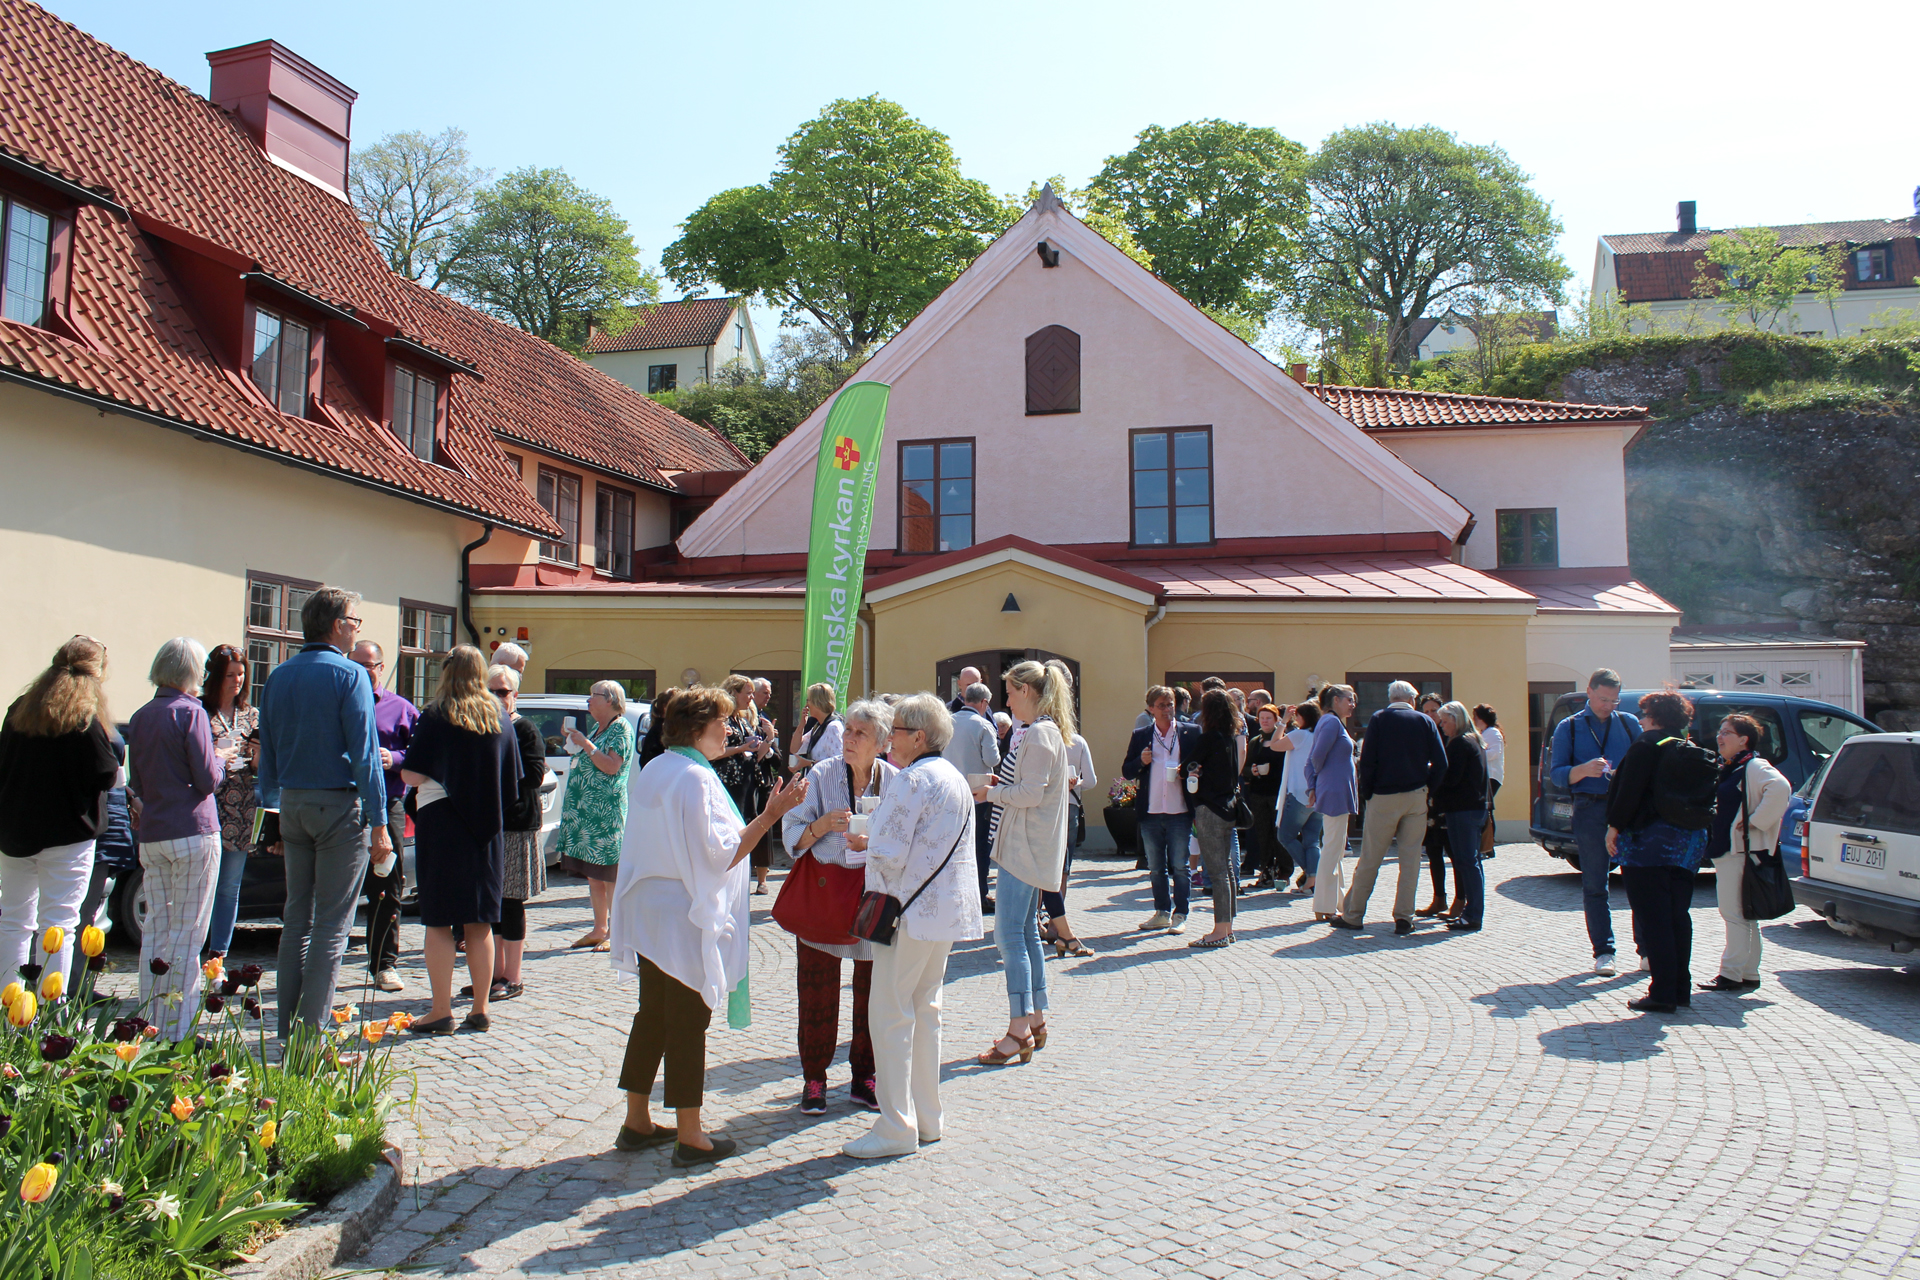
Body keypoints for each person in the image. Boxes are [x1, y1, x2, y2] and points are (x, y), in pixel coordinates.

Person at [608, 686, 807, 1167]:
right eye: (721, 722)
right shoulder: (695, 777)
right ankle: (690, 1134)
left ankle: (637, 1120)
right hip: (681, 914)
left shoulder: (658, 766)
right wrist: (771, 816)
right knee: (686, 1022)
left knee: (653, 1014)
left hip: (649, 907)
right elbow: (721, 854)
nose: (728, 730)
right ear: (698, 728)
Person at [840, 693, 982, 1157]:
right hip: (942, 914)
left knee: (890, 1016)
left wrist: (867, 840)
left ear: (918, 737)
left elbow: (889, 853)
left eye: (896, 730)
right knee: (926, 1012)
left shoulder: (912, 780)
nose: (889, 738)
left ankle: (896, 1127)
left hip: (907, 913)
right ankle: (927, 1117)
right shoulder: (953, 777)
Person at [256, 586, 389, 1035]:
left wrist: (272, 812)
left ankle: (287, 1031)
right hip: (336, 805)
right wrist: (379, 821)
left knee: (297, 920)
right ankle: (310, 1038)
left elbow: (267, 752)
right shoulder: (350, 675)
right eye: (354, 621)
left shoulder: (278, 675)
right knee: (332, 926)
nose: (356, 629)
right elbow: (366, 755)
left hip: (292, 803)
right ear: (336, 625)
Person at [781, 699, 896, 1112]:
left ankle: (864, 1075)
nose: (849, 738)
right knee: (817, 990)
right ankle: (814, 1079)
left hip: (874, 894)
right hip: (826, 892)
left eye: (860, 733)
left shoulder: (895, 780)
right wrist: (822, 825)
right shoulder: (821, 774)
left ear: (882, 743)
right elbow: (790, 834)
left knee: (873, 992)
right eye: (847, 730)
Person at [401, 646, 521, 1034]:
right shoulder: (499, 715)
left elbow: (412, 775)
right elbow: (513, 779)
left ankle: (441, 1010)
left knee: (438, 921)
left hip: (441, 823)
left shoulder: (438, 714)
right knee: (480, 922)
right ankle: (480, 1007)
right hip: (485, 830)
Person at [0, 636, 118, 999]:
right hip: (68, 835)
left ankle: (9, 1010)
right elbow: (106, 773)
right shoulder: (84, 717)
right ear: (96, 675)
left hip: (16, 830)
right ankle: (51, 1012)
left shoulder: (21, 708)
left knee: (13, 922)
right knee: (60, 925)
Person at [128, 637, 226, 1040]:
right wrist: (222, 760)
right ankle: (178, 1030)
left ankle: (149, 1021)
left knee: (156, 929)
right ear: (193, 671)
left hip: (154, 833)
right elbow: (207, 779)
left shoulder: (140, 715)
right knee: (188, 933)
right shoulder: (191, 712)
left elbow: (137, 782)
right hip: (192, 830)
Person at [977, 660, 1072, 1062]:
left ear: (1027, 691)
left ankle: (1019, 1030)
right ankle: (1035, 1019)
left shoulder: (1039, 733)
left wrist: (992, 794)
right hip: (1028, 846)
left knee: (1009, 936)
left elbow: (1031, 794)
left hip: (1025, 848)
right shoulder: (1042, 732)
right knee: (1026, 932)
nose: (1008, 701)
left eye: (1011, 693)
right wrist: (1002, 787)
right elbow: (1032, 788)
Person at [1603, 690, 1708, 1013]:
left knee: (1654, 918)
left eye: (1645, 713)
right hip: (1687, 843)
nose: (1641, 718)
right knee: (1678, 916)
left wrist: (1614, 826)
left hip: (1648, 844)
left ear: (1655, 717)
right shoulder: (1687, 747)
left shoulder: (1646, 745)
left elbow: (1628, 791)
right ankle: (1680, 988)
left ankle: (1662, 993)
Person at [1330, 681, 1448, 935]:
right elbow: (1441, 762)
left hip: (1383, 796)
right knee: (1410, 860)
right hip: (1415, 795)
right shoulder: (1425, 721)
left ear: (1391, 697)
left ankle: (1354, 915)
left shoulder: (1379, 718)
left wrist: (1367, 793)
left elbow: (1368, 760)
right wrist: (1428, 787)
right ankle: (1404, 917)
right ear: (1412, 700)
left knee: (1371, 858)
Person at [1550, 669, 1642, 976]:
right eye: (1603, 699)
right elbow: (1557, 774)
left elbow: (1645, 767)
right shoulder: (1569, 727)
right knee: (1595, 884)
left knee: (1638, 881)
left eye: (1614, 701)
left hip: (1627, 809)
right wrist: (1583, 770)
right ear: (1589, 692)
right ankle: (1604, 952)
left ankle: (1646, 950)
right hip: (1589, 809)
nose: (1608, 706)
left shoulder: (1629, 723)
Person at [347, 639, 418, 993]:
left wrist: (397, 758)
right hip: (345, 801)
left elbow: (421, 753)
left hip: (388, 802)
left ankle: (384, 965)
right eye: (356, 665)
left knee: (386, 883)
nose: (363, 672)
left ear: (381, 667)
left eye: (369, 666)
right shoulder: (339, 701)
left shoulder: (401, 708)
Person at [1701, 714, 1789, 993]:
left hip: (1739, 851)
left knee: (1734, 914)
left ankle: (1730, 974)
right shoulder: (1735, 767)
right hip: (1732, 850)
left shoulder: (1753, 765)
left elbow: (1781, 788)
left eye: (1727, 732)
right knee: (1745, 915)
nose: (1720, 736)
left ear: (1743, 739)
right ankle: (1748, 972)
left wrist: (1756, 821)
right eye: (1720, 731)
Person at [552, 680, 635, 950]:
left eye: (593, 695)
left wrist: (585, 744)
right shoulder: (600, 728)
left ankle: (616, 932)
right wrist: (576, 742)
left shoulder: (620, 727)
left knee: (609, 875)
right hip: (588, 816)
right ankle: (600, 928)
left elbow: (611, 766)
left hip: (605, 815)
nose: (588, 700)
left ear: (610, 700)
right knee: (594, 874)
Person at [1121, 685, 1200, 931]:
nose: (1167, 709)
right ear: (1151, 709)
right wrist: (1141, 761)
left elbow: (1201, 764)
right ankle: (1162, 912)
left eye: (1170, 704)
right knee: (1156, 867)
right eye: (1162, 705)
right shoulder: (1141, 735)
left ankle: (1181, 914)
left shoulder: (1190, 732)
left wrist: (1191, 771)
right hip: (1151, 811)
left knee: (1180, 866)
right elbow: (1127, 771)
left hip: (1180, 810)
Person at [491, 663, 548, 1001]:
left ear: (515, 695)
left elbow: (534, 775)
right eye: (490, 691)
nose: (497, 697)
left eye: (502, 691)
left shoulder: (524, 728)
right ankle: (494, 972)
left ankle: (513, 976)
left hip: (516, 824)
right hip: (490, 823)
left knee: (510, 902)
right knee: (493, 903)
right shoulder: (484, 726)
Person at [199, 644, 258, 961]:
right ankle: (193, 949)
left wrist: (257, 756)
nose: (237, 681)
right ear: (216, 677)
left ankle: (218, 954)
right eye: (230, 675)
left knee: (229, 887)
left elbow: (261, 767)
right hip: (207, 804)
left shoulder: (251, 714)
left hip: (241, 808)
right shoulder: (199, 711)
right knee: (202, 885)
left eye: (241, 674)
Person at [1187, 690, 1242, 948]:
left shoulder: (1208, 738)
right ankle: (1227, 928)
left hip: (1210, 810)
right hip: (1228, 809)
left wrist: (1190, 771)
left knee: (1218, 872)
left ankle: (1219, 931)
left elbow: (1187, 766)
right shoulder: (1230, 738)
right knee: (1227, 871)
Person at [941, 681, 1001, 912]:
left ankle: (954, 894)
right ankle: (980, 895)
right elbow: (993, 759)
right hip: (978, 795)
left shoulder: (948, 722)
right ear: (984, 703)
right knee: (979, 848)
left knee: (954, 846)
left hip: (950, 794)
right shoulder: (983, 725)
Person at [1041, 717, 1097, 958]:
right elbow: (1091, 781)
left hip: (1043, 807)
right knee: (1062, 869)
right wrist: (1076, 783)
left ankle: (1039, 921)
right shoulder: (1077, 741)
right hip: (1069, 807)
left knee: (1041, 866)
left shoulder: (1039, 738)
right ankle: (1056, 925)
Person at [1302, 685, 1359, 921]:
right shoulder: (1332, 722)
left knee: (1335, 848)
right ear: (1336, 700)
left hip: (1337, 790)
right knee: (1332, 848)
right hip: (1335, 791)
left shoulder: (1331, 722)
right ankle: (1324, 905)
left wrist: (1314, 784)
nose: (1353, 704)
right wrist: (1315, 784)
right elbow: (1316, 757)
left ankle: (1338, 901)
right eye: (1349, 699)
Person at [1434, 702, 1490, 932]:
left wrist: (1432, 779)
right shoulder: (1474, 739)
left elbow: (1451, 779)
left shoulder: (1459, 743)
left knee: (1467, 862)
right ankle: (1472, 912)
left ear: (1456, 720)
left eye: (1445, 721)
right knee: (1471, 862)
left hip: (1463, 809)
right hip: (1474, 808)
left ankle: (1473, 915)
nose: (1442, 725)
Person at [1243, 703, 1291, 890]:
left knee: (1279, 834)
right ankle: (1266, 871)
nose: (1264, 721)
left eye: (1268, 718)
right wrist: (1252, 771)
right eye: (1262, 718)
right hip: (1258, 793)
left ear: (1276, 720)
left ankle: (1284, 872)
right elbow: (1245, 767)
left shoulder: (1283, 740)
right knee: (1263, 835)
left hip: (1278, 793)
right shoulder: (1255, 741)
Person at [1277, 702, 1324, 893]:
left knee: (1285, 836)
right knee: (1312, 840)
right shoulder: (1321, 735)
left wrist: (1283, 722)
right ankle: (1313, 879)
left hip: (1298, 793)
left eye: (1297, 716)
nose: (1296, 719)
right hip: (1319, 793)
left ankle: (1313, 874)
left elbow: (1275, 745)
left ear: (1303, 717)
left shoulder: (1300, 735)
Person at [790, 683, 843, 771]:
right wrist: (802, 724)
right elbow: (795, 749)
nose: (807, 705)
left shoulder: (833, 727)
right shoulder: (818, 726)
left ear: (817, 702)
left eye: (808, 700)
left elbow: (839, 762)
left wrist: (809, 763)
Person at [1473, 704, 1505, 816]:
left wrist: (1476, 755)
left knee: (1485, 807)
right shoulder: (1485, 732)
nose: (1474, 720)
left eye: (1476, 717)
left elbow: (1494, 753)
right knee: (1485, 808)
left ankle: (1488, 827)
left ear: (1482, 718)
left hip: (1491, 775)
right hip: (1487, 776)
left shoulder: (1492, 732)